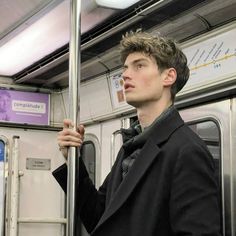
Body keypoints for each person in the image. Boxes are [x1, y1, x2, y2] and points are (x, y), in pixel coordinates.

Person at [53, 31, 222, 235]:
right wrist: (73, 160)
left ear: (168, 76)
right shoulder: (131, 147)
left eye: (139, 65)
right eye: (125, 68)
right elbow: (98, 218)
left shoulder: (185, 150)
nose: (125, 75)